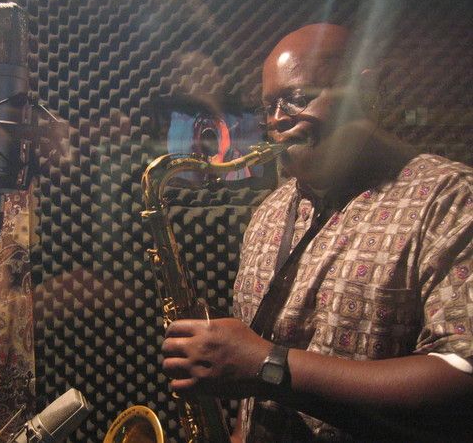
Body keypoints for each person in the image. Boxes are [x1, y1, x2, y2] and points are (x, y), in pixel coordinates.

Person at [161, 23, 473, 442]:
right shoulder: (270, 212)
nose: (277, 120)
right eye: (268, 107)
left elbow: (462, 374)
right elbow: (255, 381)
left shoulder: (451, 198)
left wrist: (266, 365)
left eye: (297, 99)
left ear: (365, 91)